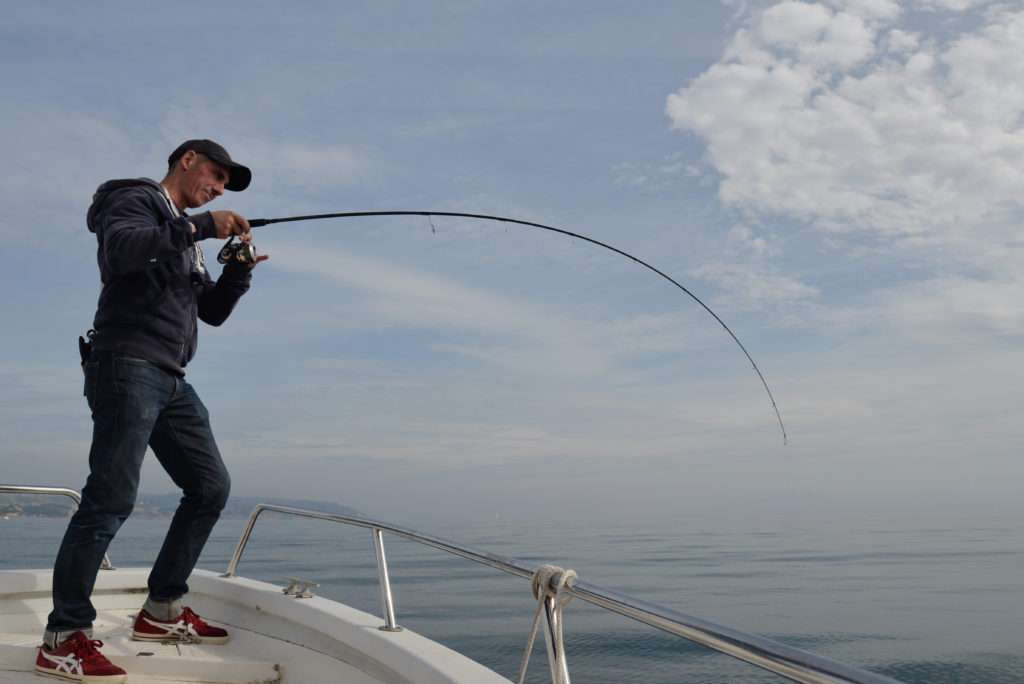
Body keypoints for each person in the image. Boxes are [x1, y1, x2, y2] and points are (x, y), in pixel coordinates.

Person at [35, 140, 268, 683]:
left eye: (225, 186)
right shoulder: (134, 201)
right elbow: (122, 251)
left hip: (170, 378)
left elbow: (209, 313)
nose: (218, 188)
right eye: (215, 175)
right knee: (111, 498)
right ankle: (63, 636)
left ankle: (161, 610)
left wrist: (238, 271)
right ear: (187, 160)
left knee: (210, 488)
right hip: (126, 364)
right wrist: (204, 226)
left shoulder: (185, 238)